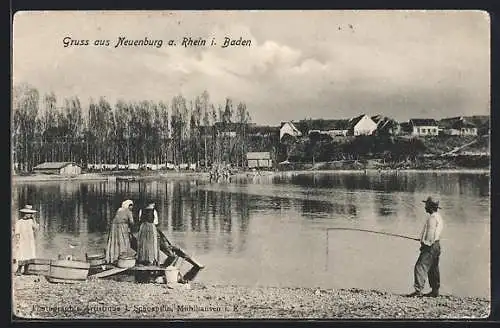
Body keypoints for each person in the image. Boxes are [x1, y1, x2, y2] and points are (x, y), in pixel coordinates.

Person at [407, 196, 444, 297]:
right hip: (437, 246)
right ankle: (435, 291)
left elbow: (431, 233)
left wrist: (425, 243)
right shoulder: (438, 217)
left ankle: (418, 291)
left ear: (430, 207)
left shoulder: (432, 218)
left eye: (426, 205)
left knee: (420, 266)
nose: (425, 207)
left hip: (431, 245)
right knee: (433, 268)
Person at [106, 199, 135, 264]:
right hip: (122, 227)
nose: (132, 207)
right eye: (131, 206)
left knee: (115, 242)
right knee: (123, 241)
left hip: (114, 227)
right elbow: (132, 222)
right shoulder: (128, 211)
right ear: (128, 206)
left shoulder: (119, 210)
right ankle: (123, 258)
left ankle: (113, 257)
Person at [14, 205, 39, 274]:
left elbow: (36, 228)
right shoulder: (19, 222)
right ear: (25, 213)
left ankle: (26, 270)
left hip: (30, 241)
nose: (30, 215)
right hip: (22, 241)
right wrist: (17, 242)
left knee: (29, 254)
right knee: (22, 255)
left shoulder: (31, 221)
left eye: (31, 213)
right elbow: (17, 233)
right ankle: (18, 270)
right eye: (29, 213)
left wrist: (34, 219)